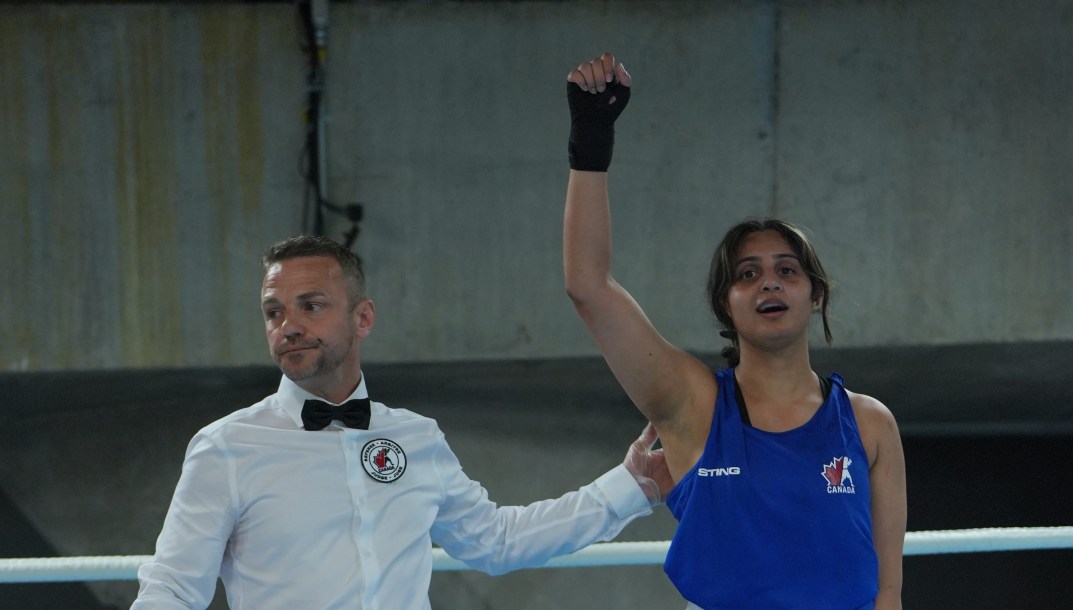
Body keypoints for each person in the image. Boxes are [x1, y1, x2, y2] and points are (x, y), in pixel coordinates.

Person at [132, 235, 672, 610]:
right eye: (274, 312)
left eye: (311, 305)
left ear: (362, 317)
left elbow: (497, 540)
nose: (288, 326)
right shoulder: (227, 447)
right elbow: (173, 589)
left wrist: (632, 487)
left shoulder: (416, 438)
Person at [562, 52, 907, 609]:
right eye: (748, 275)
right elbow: (588, 287)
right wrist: (590, 145)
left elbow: (888, 594)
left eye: (786, 271)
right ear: (726, 304)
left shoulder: (869, 425)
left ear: (815, 293)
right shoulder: (691, 403)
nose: (769, 284)